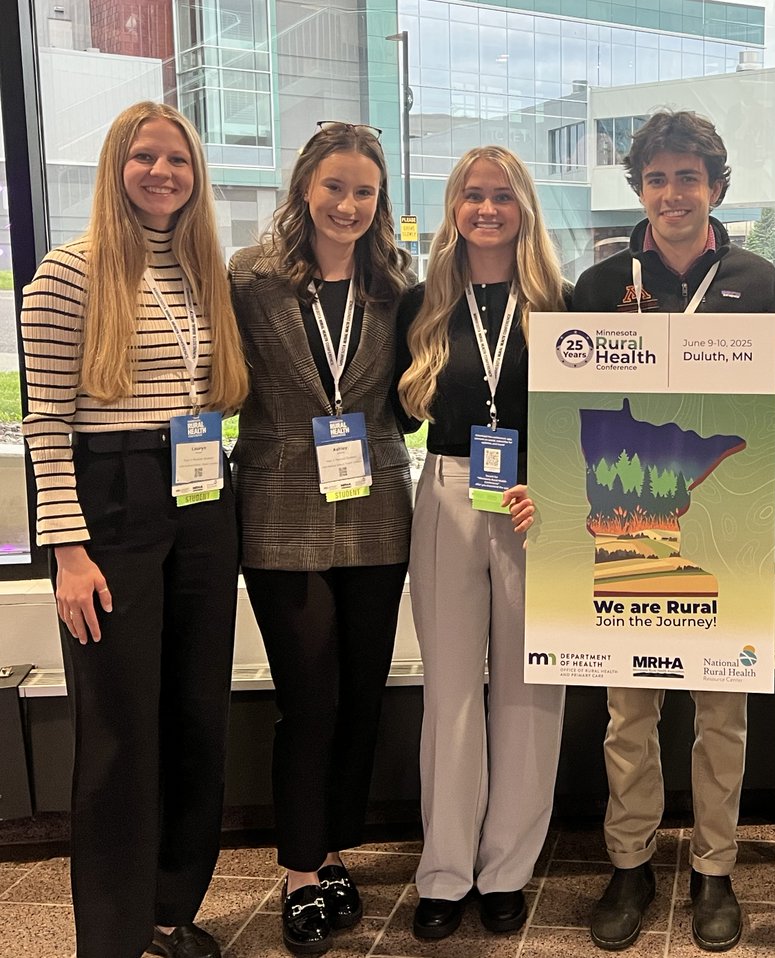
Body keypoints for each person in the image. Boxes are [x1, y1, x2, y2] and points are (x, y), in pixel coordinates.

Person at [19, 100, 248, 958]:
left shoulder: (201, 269)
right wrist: (67, 552)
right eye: (145, 157)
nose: (163, 173)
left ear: (197, 177)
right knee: (120, 729)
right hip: (108, 499)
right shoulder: (69, 271)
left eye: (179, 161)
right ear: (118, 165)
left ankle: (167, 910)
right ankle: (111, 938)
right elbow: (44, 421)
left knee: (196, 710)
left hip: (198, 493)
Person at [571, 109, 775, 953]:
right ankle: (629, 863)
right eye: (659, 178)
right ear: (640, 189)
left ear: (716, 187)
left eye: (689, 178)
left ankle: (714, 867)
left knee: (721, 716)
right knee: (627, 714)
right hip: (627, 528)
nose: (674, 193)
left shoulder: (756, 280)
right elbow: (570, 413)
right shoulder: (598, 287)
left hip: (722, 527)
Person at [228, 121, 414, 956]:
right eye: (335, 186)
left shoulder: (396, 285)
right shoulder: (249, 279)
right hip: (279, 503)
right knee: (310, 700)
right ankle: (301, 869)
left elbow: (408, 399)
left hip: (375, 505)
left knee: (362, 695)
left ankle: (335, 848)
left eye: (364, 191)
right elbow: (220, 381)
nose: (348, 204)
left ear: (380, 203)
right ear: (306, 186)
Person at [397, 145, 567, 941]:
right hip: (449, 490)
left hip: (537, 501)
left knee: (534, 691)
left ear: (524, 206)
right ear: (454, 208)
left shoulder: (559, 304)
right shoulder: (422, 301)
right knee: (452, 692)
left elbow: (583, 425)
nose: (488, 208)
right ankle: (444, 871)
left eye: (503, 195)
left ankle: (505, 871)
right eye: (473, 195)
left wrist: (557, 488)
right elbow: (395, 413)